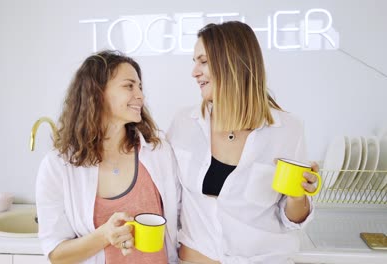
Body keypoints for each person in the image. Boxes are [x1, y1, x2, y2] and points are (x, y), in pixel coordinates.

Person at [167, 21, 319, 264]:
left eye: (203, 61)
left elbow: (292, 220)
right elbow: (168, 201)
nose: (194, 72)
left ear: (232, 63)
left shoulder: (288, 129)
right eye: (195, 62)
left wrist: (298, 196)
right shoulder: (184, 124)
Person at [36, 50, 180, 264]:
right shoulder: (58, 165)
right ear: (97, 92)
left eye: (139, 87)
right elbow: (56, 254)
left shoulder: (158, 150)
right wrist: (104, 235)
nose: (140, 95)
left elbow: (180, 222)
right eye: (129, 86)